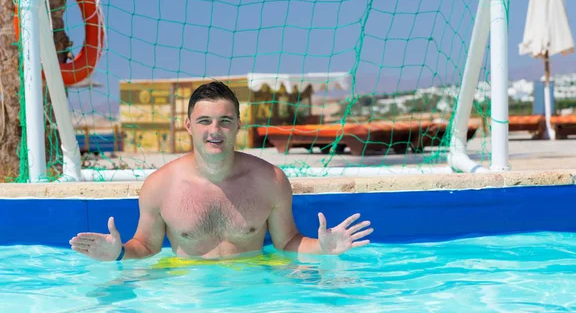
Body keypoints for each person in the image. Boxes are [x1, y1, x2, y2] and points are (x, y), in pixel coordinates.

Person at [69, 81, 373, 261]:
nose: (215, 130)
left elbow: (287, 242)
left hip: (252, 287)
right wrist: (119, 254)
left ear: (238, 125)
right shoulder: (159, 186)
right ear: (189, 126)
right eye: (204, 121)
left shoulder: (270, 180)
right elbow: (147, 245)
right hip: (188, 291)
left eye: (225, 121)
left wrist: (321, 248)